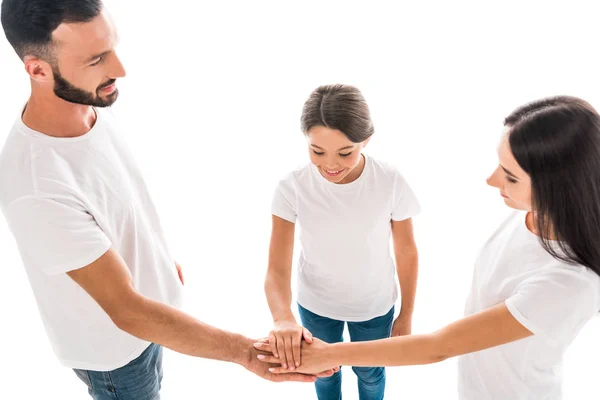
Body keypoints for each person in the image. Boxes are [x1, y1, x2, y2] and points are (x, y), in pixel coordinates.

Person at [0, 1, 332, 399]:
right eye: (97, 60)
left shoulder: (86, 105)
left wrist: (157, 261)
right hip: (117, 356)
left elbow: (118, 202)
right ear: (37, 69)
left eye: (113, 48)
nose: (120, 69)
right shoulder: (37, 186)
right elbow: (128, 312)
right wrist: (246, 353)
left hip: (150, 322)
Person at [257, 95, 600, 399]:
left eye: (510, 176)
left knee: (370, 376)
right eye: (500, 166)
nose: (492, 180)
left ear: (558, 187)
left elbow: (439, 347)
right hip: (474, 387)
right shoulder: (531, 215)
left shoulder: (569, 282)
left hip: (513, 393)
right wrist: (286, 320)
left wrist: (332, 353)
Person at [265, 84, 420, 399]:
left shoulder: (390, 181)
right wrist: (283, 318)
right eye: (317, 151)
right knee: (322, 375)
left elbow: (406, 252)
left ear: (366, 141)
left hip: (374, 306)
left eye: (345, 152)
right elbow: (276, 268)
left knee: (371, 375)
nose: (330, 164)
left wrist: (406, 314)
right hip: (316, 304)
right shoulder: (291, 187)